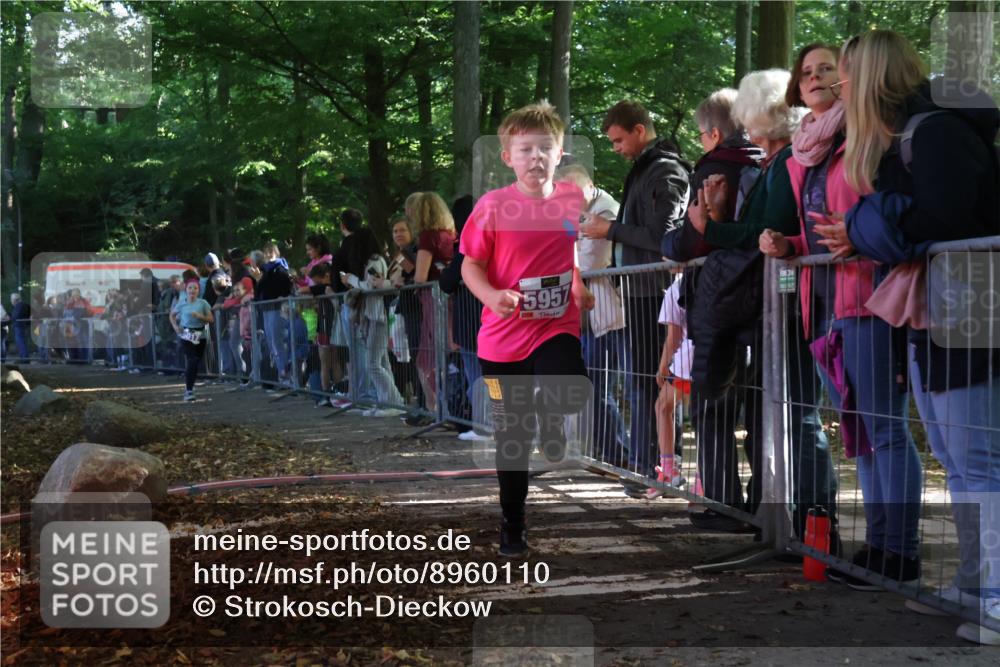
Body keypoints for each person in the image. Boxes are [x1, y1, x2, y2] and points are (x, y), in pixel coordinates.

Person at [835, 31, 999, 645]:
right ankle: (974, 581)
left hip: (971, 309)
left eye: (846, 74)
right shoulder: (913, 135)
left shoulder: (935, 133)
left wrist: (868, 224)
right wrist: (871, 225)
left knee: (979, 459)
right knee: (957, 459)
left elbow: (947, 216)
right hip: (941, 307)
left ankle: (997, 593)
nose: (839, 86)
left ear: (870, 74)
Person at [759, 42, 905, 585]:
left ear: (844, 81)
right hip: (818, 303)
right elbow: (816, 229)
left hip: (867, 299)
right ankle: (878, 550)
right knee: (861, 432)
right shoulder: (804, 152)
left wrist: (856, 239)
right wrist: (787, 244)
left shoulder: (864, 133)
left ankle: (900, 552)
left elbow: (878, 217)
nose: (817, 77)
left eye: (828, 69)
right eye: (807, 72)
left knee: (883, 429)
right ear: (798, 89)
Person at [688, 69, 836, 537]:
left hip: (790, 305)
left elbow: (762, 234)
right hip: (774, 306)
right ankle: (782, 514)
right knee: (773, 411)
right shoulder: (775, 164)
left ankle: (815, 521)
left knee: (795, 413)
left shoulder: (788, 161)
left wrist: (708, 229)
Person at [460, 101, 594, 557]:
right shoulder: (492, 206)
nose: (535, 157)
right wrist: (492, 297)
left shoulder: (571, 201)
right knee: (512, 438)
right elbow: (470, 266)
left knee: (570, 384)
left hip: (555, 323)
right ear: (507, 157)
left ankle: (550, 412)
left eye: (545, 148)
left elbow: (567, 253)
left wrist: (577, 286)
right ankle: (512, 524)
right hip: (501, 337)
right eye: (525, 149)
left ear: (560, 154)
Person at [590, 100, 691, 497]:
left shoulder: (665, 170)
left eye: (617, 140)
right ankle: (651, 466)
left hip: (655, 293)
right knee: (643, 383)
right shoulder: (646, 169)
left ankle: (658, 467)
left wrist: (609, 230)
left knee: (655, 383)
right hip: (640, 292)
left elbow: (662, 235)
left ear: (638, 129)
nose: (615, 148)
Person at [556, 165, 629, 466]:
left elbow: (592, 259)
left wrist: (568, 258)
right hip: (592, 315)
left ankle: (620, 453)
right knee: (593, 385)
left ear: (589, 186)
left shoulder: (606, 210)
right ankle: (609, 451)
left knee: (617, 385)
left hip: (613, 313)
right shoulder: (572, 213)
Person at [439, 196, 487, 440]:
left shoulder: (468, 243)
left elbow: (447, 282)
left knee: (477, 375)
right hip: (494, 317)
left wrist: (446, 273)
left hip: (472, 319)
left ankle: (484, 426)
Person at [342, 227, 405, 416]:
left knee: (373, 364)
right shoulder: (374, 261)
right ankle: (388, 401)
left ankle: (393, 401)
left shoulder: (375, 261)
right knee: (381, 362)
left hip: (377, 316)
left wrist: (351, 280)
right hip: (373, 316)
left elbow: (370, 287)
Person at [648, 273, 693, 499]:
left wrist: (663, 366)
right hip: (716, 357)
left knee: (663, 407)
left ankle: (669, 471)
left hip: (690, 361)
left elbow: (673, 334)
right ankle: (671, 472)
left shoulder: (677, 287)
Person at [412, 191, 456, 415]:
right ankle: (447, 408)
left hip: (432, 298)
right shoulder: (450, 235)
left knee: (428, 357)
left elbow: (420, 277)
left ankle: (435, 409)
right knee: (449, 348)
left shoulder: (427, 237)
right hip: (450, 297)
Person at [169, 278, 214, 401]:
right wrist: (175, 327)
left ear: (198, 290)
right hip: (186, 334)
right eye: (190, 288)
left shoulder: (203, 303)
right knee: (192, 360)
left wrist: (200, 316)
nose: (192, 290)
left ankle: (191, 386)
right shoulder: (182, 303)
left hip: (201, 335)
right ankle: (189, 391)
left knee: (195, 362)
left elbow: (211, 319)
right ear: (186, 289)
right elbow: (172, 315)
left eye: (195, 288)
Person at [255, 243, 294, 384]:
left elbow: (287, 288)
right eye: (266, 252)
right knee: (272, 343)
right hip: (266, 309)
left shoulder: (281, 269)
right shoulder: (264, 271)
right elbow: (259, 291)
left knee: (277, 342)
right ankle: (281, 374)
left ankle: (286, 376)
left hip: (277, 310)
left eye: (271, 252)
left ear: (276, 253)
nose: (268, 255)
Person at [10, 293, 31, 361]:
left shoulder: (19, 306)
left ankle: (24, 358)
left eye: (11, 300)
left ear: (14, 300)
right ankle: (23, 357)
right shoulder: (25, 305)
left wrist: (10, 318)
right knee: (22, 342)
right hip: (23, 326)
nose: (11, 301)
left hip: (19, 326)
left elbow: (16, 316)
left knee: (21, 342)